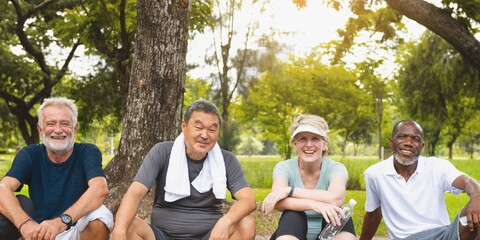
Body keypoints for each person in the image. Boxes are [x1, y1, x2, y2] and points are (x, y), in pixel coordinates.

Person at [111, 99, 256, 240]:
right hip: (161, 235)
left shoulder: (227, 160)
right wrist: (119, 231)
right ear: (184, 126)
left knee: (247, 223)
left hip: (210, 236)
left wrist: (226, 221)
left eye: (212, 130)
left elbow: (248, 200)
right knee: (128, 225)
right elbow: (135, 193)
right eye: (198, 128)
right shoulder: (162, 152)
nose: (204, 135)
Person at [0, 97, 113, 240]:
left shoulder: (87, 151)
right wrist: (25, 224)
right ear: (40, 129)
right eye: (51, 124)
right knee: (16, 204)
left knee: (101, 217)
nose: (58, 130)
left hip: (76, 230)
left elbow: (100, 189)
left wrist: (62, 221)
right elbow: (3, 188)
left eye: (65, 124)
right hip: (39, 232)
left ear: (75, 128)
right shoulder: (30, 154)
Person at [360, 119, 480, 240]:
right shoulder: (375, 174)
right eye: (402, 137)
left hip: (444, 235)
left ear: (422, 146)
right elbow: (373, 215)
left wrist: (476, 195)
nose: (408, 143)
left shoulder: (437, 166)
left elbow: (466, 181)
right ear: (391, 142)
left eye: (415, 139)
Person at [261, 114, 356, 240]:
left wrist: (289, 190)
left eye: (315, 139)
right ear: (295, 144)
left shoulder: (336, 168)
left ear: (324, 144)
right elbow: (277, 202)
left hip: (328, 235)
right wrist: (315, 205)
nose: (309, 144)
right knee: (292, 214)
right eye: (303, 139)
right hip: (292, 232)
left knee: (338, 214)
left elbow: (335, 199)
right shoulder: (284, 167)